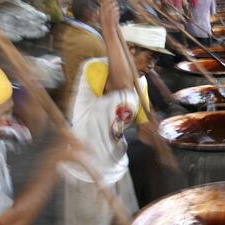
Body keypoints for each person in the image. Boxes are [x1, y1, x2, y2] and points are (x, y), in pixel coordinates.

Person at [62, 0, 174, 224]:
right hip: (88, 175)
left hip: (118, 169)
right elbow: (120, 83)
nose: (152, 66)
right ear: (129, 49)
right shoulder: (95, 68)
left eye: (156, 59)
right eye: (150, 57)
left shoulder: (140, 83)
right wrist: (110, 29)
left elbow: (144, 131)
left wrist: (165, 142)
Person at [0, 51, 77, 225]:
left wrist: (33, 92)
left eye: (7, 111)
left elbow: (26, 131)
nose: (3, 124)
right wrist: (52, 165)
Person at [53, 0, 106, 116]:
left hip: (64, 102)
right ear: (89, 12)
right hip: (81, 108)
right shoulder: (94, 43)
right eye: (97, 10)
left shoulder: (65, 30)